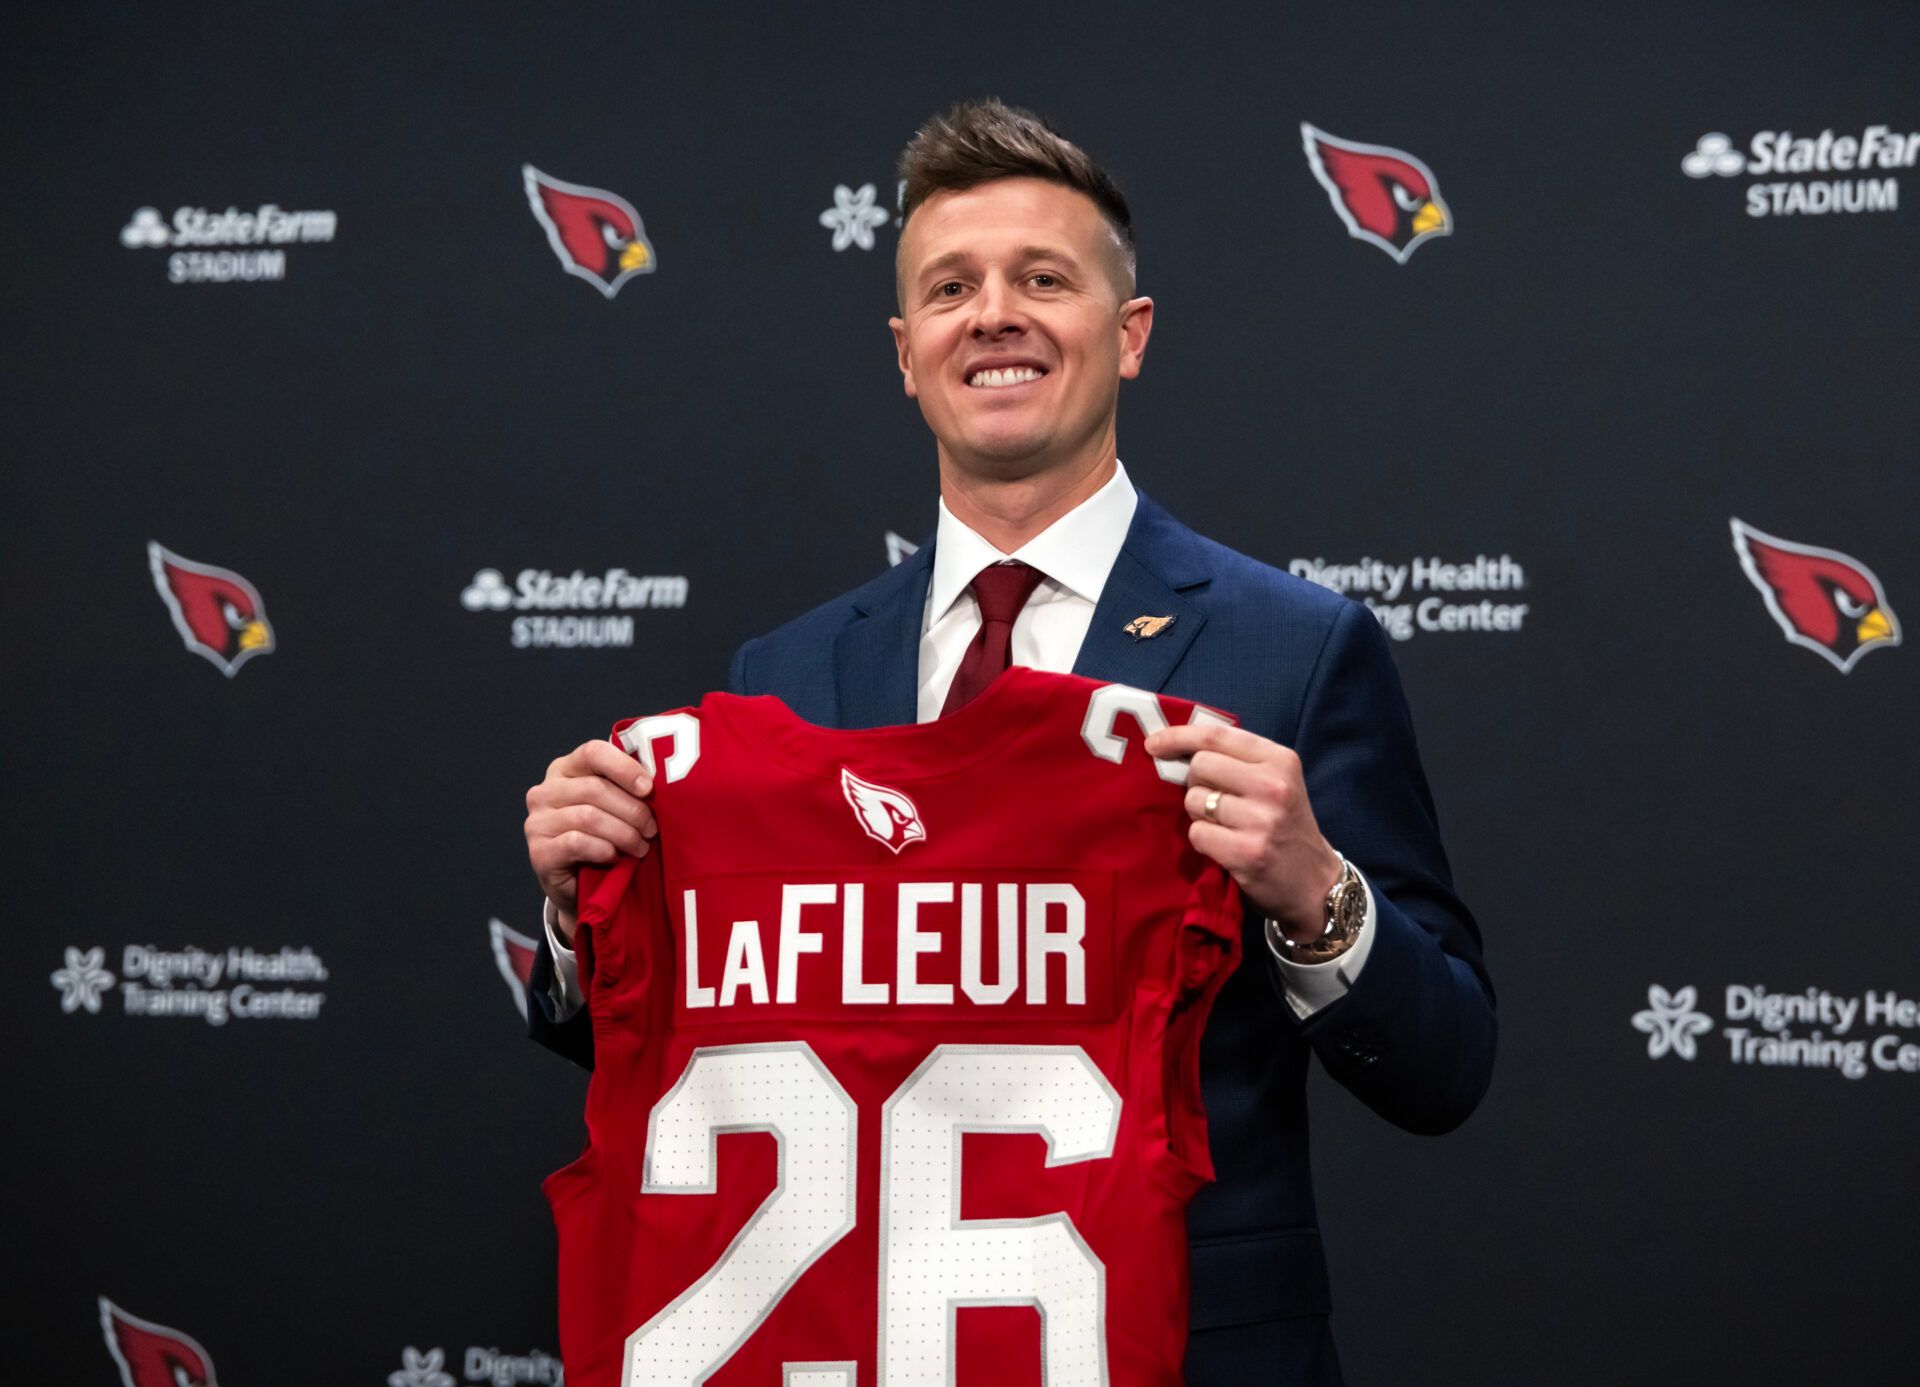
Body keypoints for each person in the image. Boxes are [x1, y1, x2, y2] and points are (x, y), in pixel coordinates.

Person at [521, 97, 1496, 1386]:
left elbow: (1445, 1068)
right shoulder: (790, 674)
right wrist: (580, 909)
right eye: (951, 287)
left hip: (1185, 1352)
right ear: (906, 349)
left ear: (1129, 334)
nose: (996, 315)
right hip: (847, 1351)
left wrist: (1313, 890)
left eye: (1045, 279)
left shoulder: (1294, 649)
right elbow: (703, 1053)